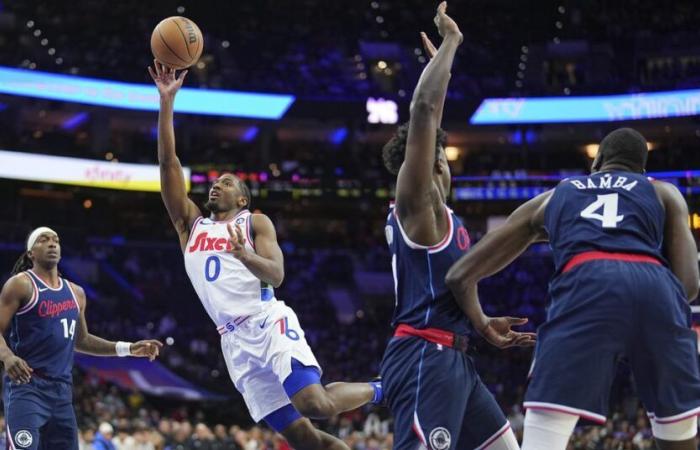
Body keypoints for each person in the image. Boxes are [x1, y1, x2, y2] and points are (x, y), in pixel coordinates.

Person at [148, 61, 380, 450]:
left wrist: (244, 256)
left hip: (266, 321)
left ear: (241, 197)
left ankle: (382, 388)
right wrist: (167, 101)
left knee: (314, 403)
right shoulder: (191, 226)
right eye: (214, 182)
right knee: (306, 440)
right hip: (233, 343)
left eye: (227, 182)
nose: (216, 185)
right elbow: (168, 163)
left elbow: (276, 275)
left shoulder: (255, 222)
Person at [446, 127, 700, 450]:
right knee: (677, 438)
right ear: (642, 172)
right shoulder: (664, 192)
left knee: (543, 442)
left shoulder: (560, 193)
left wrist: (481, 321)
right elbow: (688, 286)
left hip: (586, 282)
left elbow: (459, 276)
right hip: (656, 286)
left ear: (598, 162)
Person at [379, 3, 533, 449]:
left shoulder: (451, 219)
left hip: (458, 358)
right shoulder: (416, 207)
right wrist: (450, 45)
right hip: (424, 353)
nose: (440, 172)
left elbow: (456, 284)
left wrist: (482, 324)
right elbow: (425, 108)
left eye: (443, 164)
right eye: (431, 163)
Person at [0, 227, 162, 450]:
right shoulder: (21, 285)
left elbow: (81, 340)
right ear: (30, 254)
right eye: (43, 240)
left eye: (55, 240)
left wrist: (128, 348)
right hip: (27, 388)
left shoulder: (76, 293)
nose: (52, 244)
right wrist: (7, 356)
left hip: (61, 393)